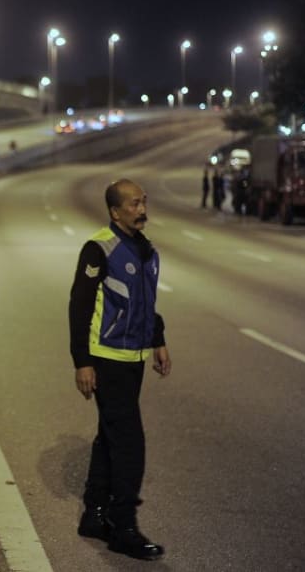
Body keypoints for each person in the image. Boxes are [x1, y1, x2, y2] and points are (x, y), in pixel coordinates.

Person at [68, 178, 172, 561]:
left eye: (143, 201)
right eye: (132, 204)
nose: (141, 209)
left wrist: (158, 339)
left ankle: (94, 514)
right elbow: (79, 306)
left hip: (134, 358)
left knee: (110, 434)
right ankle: (123, 526)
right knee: (130, 441)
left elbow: (147, 302)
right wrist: (82, 360)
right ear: (115, 212)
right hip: (106, 356)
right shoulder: (100, 248)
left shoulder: (147, 251)